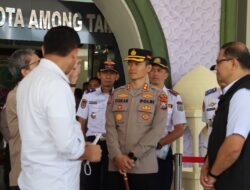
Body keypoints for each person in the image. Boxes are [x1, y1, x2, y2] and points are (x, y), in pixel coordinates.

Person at [16, 26, 101, 190]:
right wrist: (88, 153)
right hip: (55, 182)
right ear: (74, 53)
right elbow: (66, 145)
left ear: (43, 48)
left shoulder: (28, 81)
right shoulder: (56, 85)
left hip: (32, 179)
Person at [105, 48, 167, 190]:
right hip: (116, 165)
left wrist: (132, 156)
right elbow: (110, 127)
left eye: (137, 64)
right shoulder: (116, 94)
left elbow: (157, 131)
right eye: (130, 63)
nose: (132, 67)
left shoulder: (159, 96)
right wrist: (117, 156)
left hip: (143, 168)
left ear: (148, 68)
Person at [200, 42, 250, 190]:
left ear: (233, 63)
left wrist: (213, 176)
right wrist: (208, 164)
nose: (216, 68)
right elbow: (219, 136)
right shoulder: (233, 93)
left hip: (237, 181)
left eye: (219, 62)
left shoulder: (243, 93)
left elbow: (233, 146)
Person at [77, 60, 119, 190]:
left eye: (111, 73)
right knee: (90, 181)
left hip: (113, 142)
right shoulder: (89, 95)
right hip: (93, 141)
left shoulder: (121, 95)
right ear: (99, 74)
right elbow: (81, 121)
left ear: (117, 77)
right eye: (105, 73)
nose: (108, 76)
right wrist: (82, 143)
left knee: (110, 181)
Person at [148, 56, 186, 190]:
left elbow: (180, 129)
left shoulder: (174, 97)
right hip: (139, 153)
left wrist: (159, 144)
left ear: (166, 74)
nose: (155, 73)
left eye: (159, 70)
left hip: (161, 152)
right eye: (152, 70)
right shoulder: (138, 94)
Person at [6, 49, 40, 190]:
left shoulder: (33, 92)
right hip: (24, 174)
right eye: (37, 63)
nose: (42, 66)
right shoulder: (18, 96)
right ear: (25, 72)